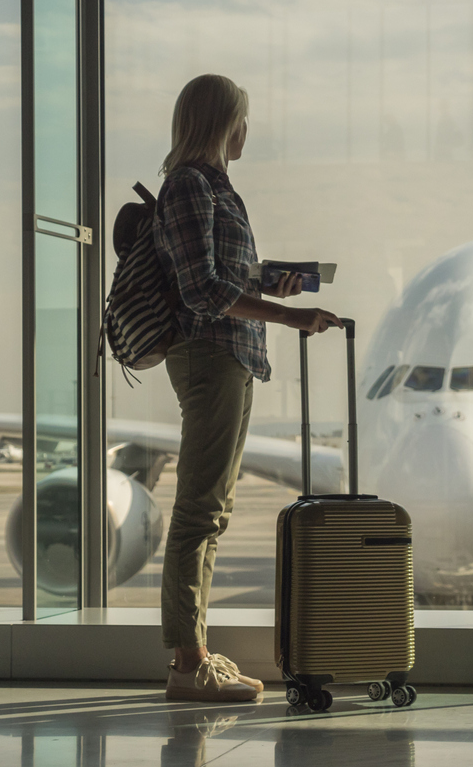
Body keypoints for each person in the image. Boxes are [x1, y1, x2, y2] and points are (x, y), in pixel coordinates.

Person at [154, 73, 339, 702]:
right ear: (220, 123)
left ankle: (194, 651)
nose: (246, 132)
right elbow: (201, 290)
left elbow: (225, 275)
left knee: (211, 511)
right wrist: (289, 316)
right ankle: (186, 664)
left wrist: (270, 281)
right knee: (199, 512)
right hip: (209, 355)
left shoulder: (213, 189)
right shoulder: (187, 186)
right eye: (241, 119)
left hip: (230, 356)